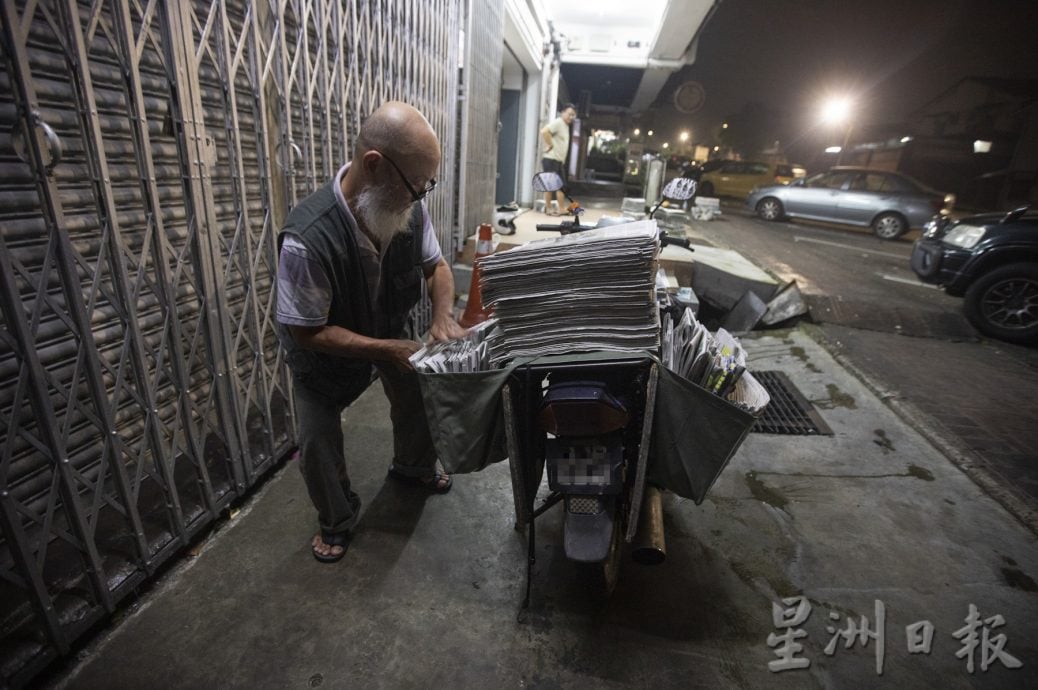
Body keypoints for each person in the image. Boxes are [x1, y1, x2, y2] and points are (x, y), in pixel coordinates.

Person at [275, 101, 467, 563]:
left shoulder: (406, 212)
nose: (420, 197)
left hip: (386, 333)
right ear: (374, 165)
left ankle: (413, 466)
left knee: (416, 391)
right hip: (324, 357)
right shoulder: (308, 238)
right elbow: (308, 333)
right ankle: (338, 521)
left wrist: (442, 314)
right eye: (416, 186)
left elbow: (437, 266)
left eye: (427, 185)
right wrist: (388, 348)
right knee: (318, 443)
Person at [540, 104, 576, 215]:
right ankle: (549, 208)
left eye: (573, 115)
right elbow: (545, 131)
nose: (571, 117)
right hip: (551, 159)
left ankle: (561, 209)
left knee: (561, 186)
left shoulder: (565, 125)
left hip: (558, 161)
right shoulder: (559, 122)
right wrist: (550, 145)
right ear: (563, 112)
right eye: (569, 114)